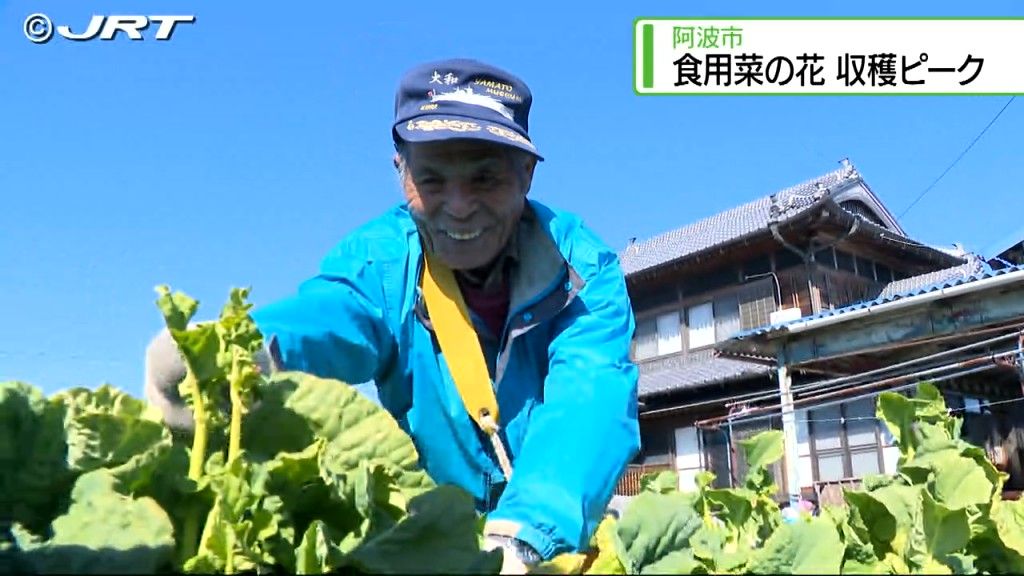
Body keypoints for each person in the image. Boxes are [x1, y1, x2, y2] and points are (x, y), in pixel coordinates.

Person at [145, 58, 640, 573]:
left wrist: (524, 536)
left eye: (485, 178)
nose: (459, 206)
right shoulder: (380, 261)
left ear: (527, 174)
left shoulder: (580, 269)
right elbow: (334, 315)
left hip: (545, 537)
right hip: (427, 535)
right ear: (400, 171)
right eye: (431, 180)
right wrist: (244, 351)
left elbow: (590, 399)